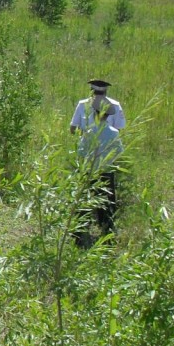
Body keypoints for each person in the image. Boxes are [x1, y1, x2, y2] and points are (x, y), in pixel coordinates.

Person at [75, 96, 124, 242]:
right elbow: (119, 152)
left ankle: (78, 236)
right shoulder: (114, 132)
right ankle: (107, 235)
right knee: (107, 204)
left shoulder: (89, 132)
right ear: (109, 116)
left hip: (89, 172)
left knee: (83, 203)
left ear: (94, 113)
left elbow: (81, 152)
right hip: (106, 172)